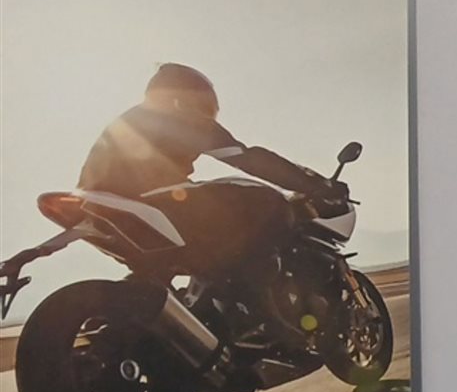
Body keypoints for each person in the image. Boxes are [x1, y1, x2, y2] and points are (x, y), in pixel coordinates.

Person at [75, 64, 335, 276]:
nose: (206, 115)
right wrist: (313, 184)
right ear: (184, 97)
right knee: (269, 201)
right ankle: (252, 292)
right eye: (204, 106)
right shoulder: (178, 117)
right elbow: (246, 158)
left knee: (173, 261)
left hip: (100, 208)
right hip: (148, 200)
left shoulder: (129, 120)